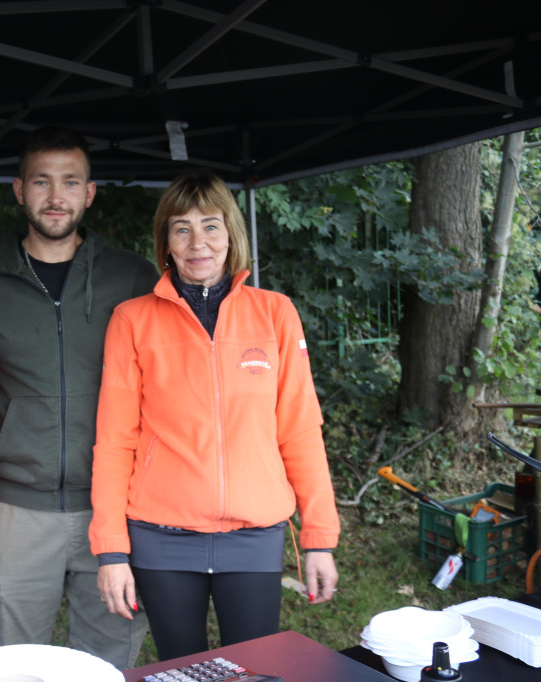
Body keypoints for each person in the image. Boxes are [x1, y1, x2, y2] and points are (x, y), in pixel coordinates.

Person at [89, 172, 340, 661]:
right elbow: (114, 441)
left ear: (232, 236)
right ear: (165, 242)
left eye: (211, 226)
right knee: (182, 669)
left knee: (254, 668)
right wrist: (112, 551)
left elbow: (301, 432)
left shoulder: (276, 314)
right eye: (181, 229)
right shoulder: (132, 319)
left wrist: (319, 538)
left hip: (254, 536)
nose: (197, 242)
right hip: (161, 536)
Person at [0, 126, 158, 669]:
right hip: (17, 509)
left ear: (89, 194)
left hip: (115, 508)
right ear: (18, 190)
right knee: (11, 665)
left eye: (70, 182)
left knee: (109, 662)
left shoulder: (134, 276)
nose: (55, 196)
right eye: (41, 181)